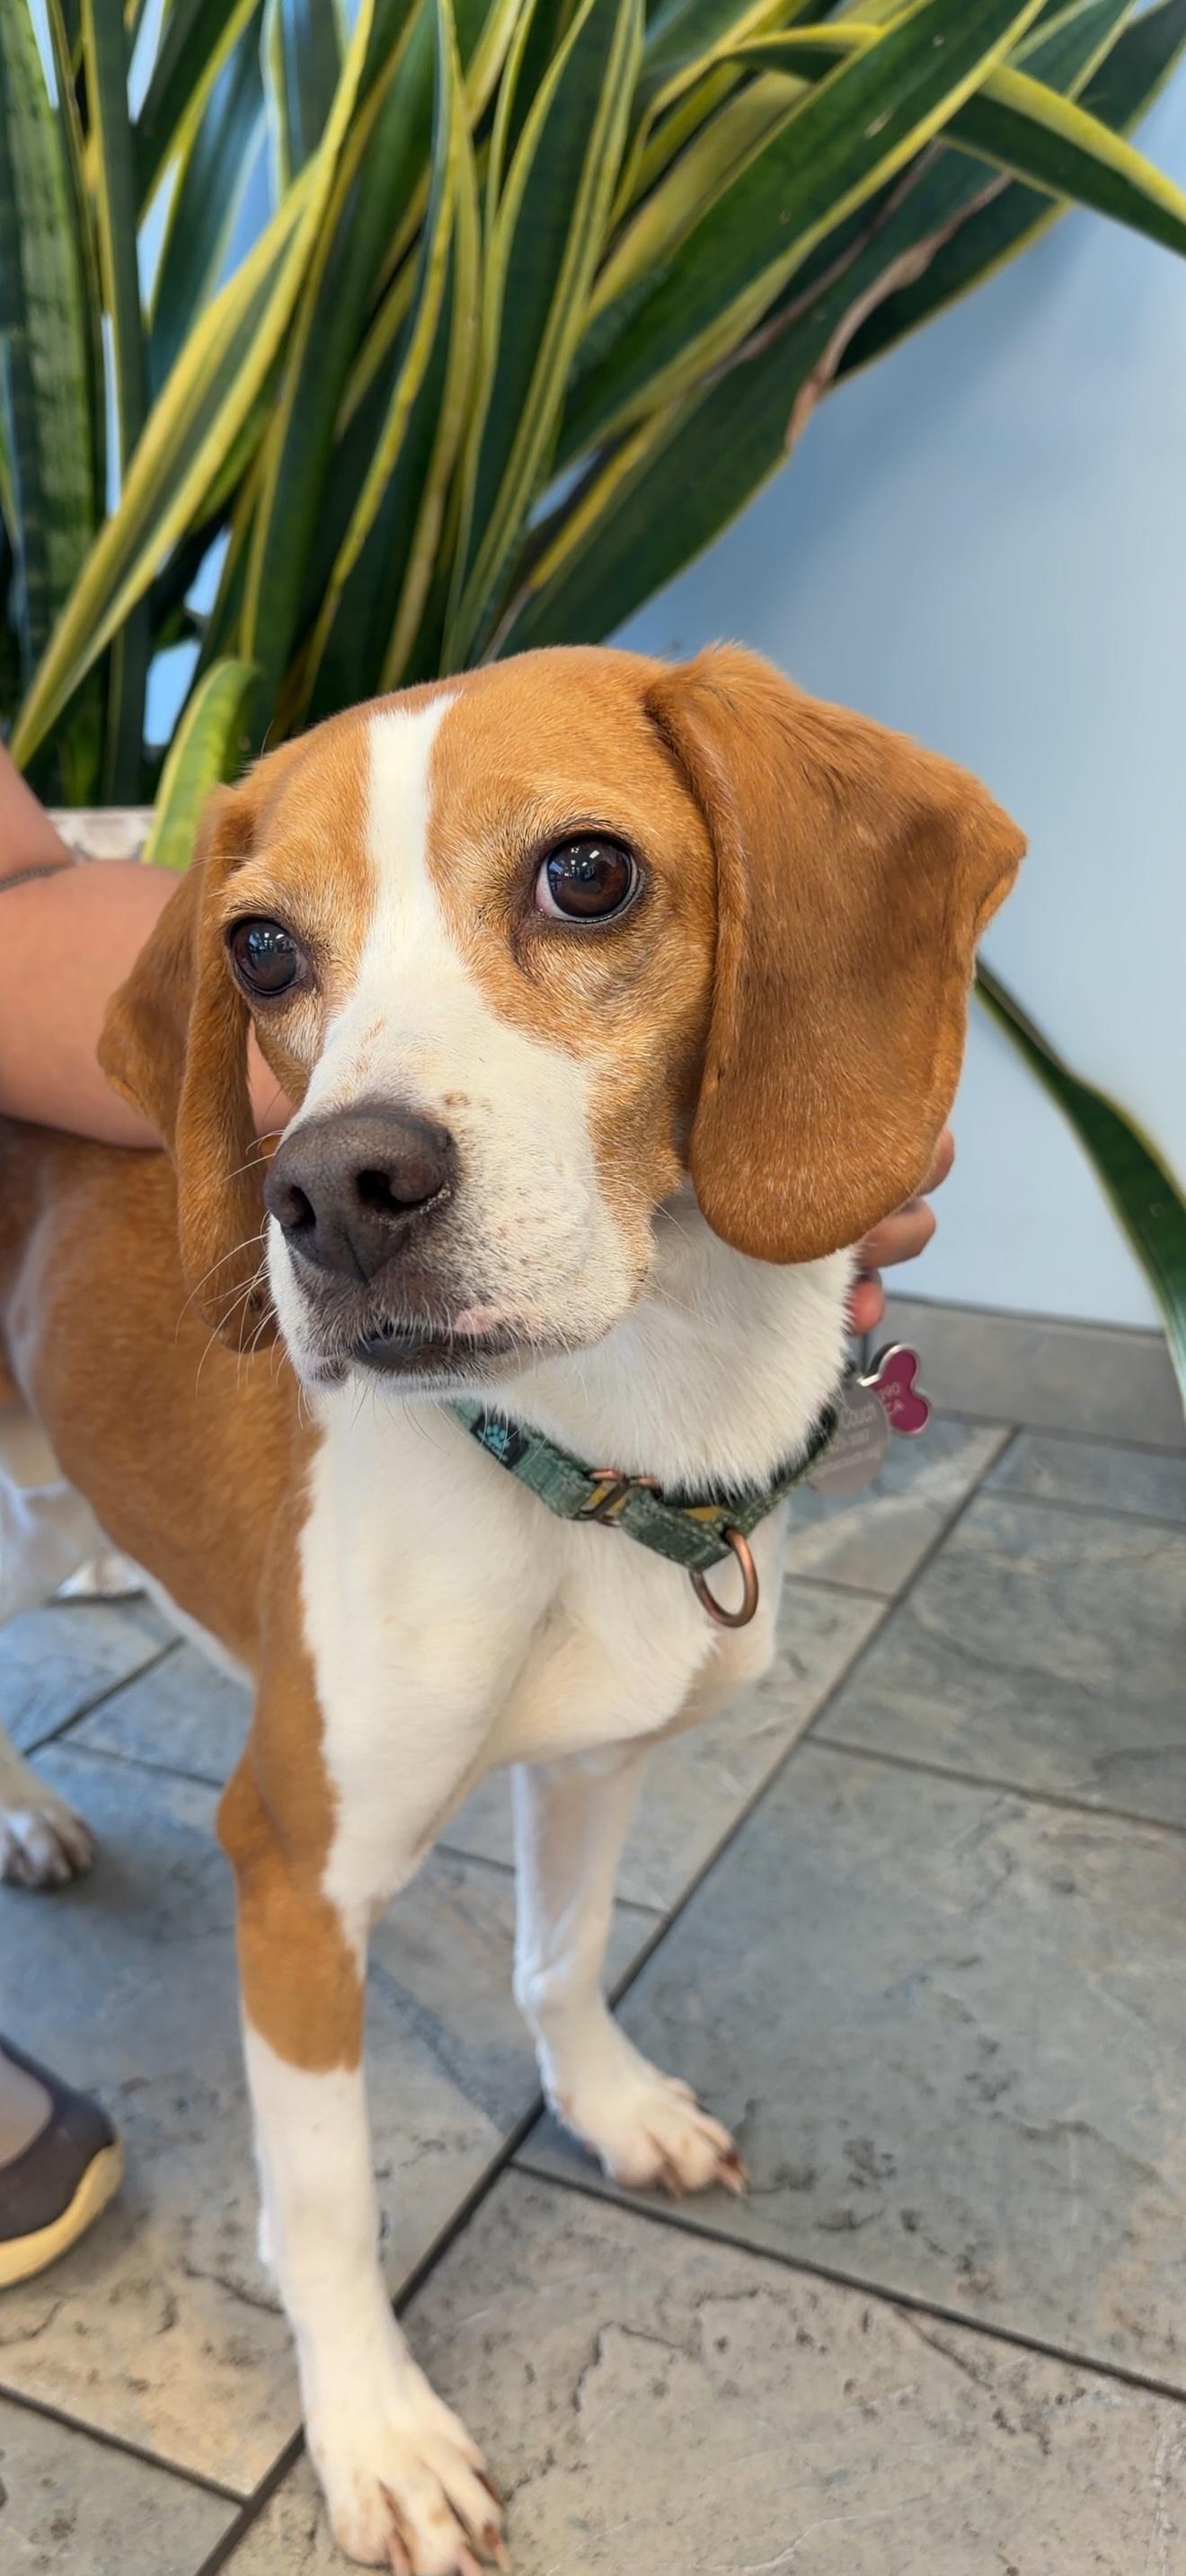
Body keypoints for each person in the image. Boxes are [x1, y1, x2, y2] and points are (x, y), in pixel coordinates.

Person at [0, 742, 950, 2280]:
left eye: (582, 882)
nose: (338, 1170)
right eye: (275, 952)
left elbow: (16, 889)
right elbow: (291, 1871)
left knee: (612, 1711)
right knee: (290, 1820)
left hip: (663, 1452)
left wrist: (816, 1104)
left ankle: (570, 2031)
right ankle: (333, 2311)